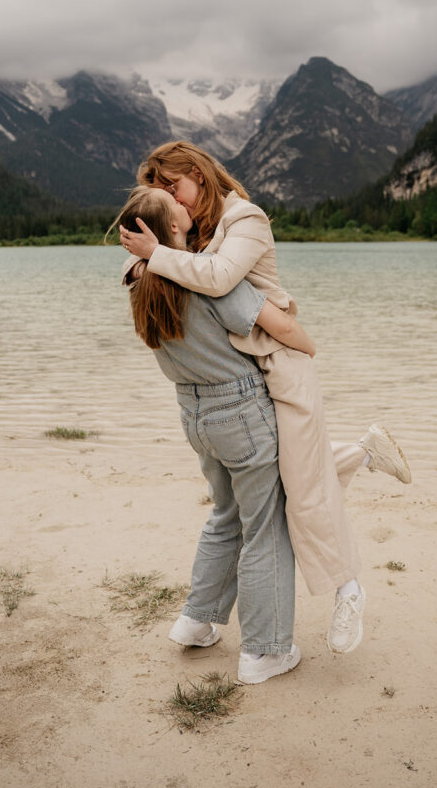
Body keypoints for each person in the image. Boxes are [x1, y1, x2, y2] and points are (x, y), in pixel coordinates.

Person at [120, 141, 411, 654]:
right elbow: (162, 269)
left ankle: (348, 590)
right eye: (161, 194)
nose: (172, 199)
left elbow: (219, 279)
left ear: (198, 174)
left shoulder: (244, 218)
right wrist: (150, 255)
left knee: (302, 488)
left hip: (278, 364)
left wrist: (154, 256)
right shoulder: (190, 235)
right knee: (292, 479)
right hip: (242, 384)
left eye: (173, 186)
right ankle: (366, 452)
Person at [113, 185, 316, 684]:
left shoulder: (139, 282)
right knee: (266, 526)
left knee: (226, 516)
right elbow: (277, 326)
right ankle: (264, 653)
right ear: (173, 227)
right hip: (241, 411)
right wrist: (308, 345)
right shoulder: (207, 277)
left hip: (194, 414)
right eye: (175, 204)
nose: (185, 203)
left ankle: (196, 621)